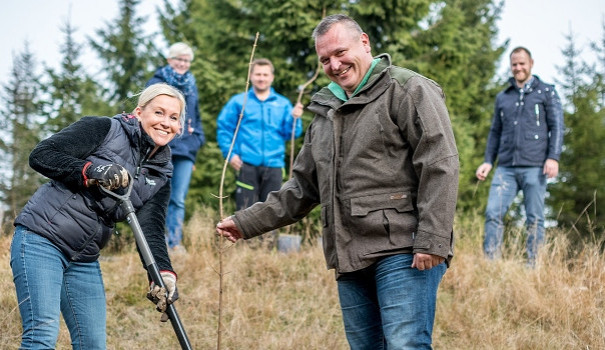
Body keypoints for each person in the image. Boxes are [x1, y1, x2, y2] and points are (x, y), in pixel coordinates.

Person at [216, 14, 459, 349]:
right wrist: (245, 222)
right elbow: (302, 188)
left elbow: (440, 162)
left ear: (364, 42)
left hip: (403, 248)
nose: (334, 64)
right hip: (348, 256)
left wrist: (432, 240)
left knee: (405, 345)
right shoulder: (324, 111)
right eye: (325, 59)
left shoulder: (408, 89)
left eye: (340, 52)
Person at [10, 83, 184, 349]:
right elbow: (42, 155)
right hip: (41, 240)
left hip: (84, 257)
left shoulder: (161, 172)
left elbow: (149, 226)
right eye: (158, 113)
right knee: (41, 336)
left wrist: (162, 274)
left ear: (180, 127)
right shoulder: (105, 128)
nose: (165, 122)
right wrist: (91, 170)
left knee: (93, 345)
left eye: (173, 117)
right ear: (139, 113)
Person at [476, 46, 564, 263]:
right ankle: (491, 265)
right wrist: (488, 161)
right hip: (505, 167)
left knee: (534, 218)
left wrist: (553, 157)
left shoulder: (546, 92)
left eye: (522, 63)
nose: (518, 68)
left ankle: (533, 266)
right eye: (514, 64)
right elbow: (495, 131)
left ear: (531, 63)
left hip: (535, 166)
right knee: (493, 213)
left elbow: (557, 126)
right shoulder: (503, 97)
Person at [217, 58, 304, 212]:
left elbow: (291, 134)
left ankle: (269, 238)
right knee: (245, 210)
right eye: (258, 74)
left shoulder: (283, 103)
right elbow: (224, 128)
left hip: (274, 165)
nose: (261, 78)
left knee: (272, 211)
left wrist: (294, 118)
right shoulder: (239, 101)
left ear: (272, 77)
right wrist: (230, 154)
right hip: (247, 164)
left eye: (265, 75)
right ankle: (246, 237)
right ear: (251, 76)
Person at [147, 42, 205, 253]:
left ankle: (175, 242)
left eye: (186, 60)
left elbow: (195, 118)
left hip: (185, 151)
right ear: (169, 60)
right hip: (159, 148)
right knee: (155, 196)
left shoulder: (192, 84)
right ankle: (154, 242)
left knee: (178, 199)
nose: (182, 64)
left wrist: (196, 141)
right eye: (178, 59)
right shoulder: (157, 83)